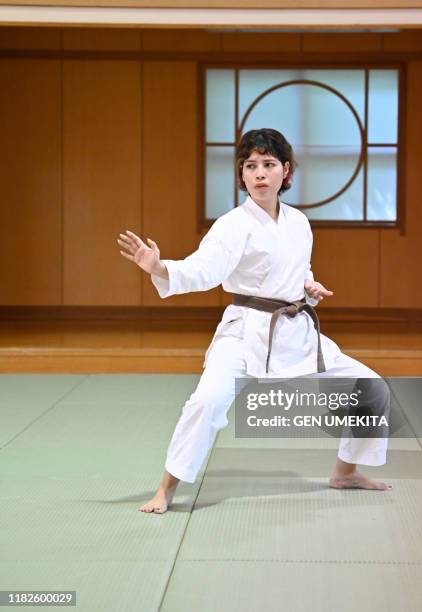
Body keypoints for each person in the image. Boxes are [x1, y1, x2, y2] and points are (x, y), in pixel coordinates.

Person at [118, 128, 392, 515]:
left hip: (294, 330)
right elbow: (204, 268)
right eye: (250, 166)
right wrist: (160, 267)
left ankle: (346, 471)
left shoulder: (299, 222)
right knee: (207, 401)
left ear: (287, 172)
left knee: (372, 387)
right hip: (245, 331)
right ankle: (166, 488)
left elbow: (295, 269)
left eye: (268, 164)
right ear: (242, 175)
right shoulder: (232, 225)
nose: (259, 173)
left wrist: (308, 284)